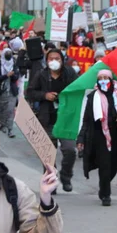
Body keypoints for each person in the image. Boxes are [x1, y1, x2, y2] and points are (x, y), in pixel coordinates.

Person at [26, 49, 78, 192]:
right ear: (46, 60)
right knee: (47, 155)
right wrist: (44, 95)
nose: (54, 61)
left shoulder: (70, 74)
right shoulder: (41, 75)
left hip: (65, 119)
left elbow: (78, 90)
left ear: (62, 60)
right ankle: (51, 180)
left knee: (70, 150)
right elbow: (30, 92)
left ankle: (66, 176)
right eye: (51, 58)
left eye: (57, 58)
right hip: (46, 118)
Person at [77, 70, 117, 206]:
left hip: (116, 134)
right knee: (104, 165)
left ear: (111, 80)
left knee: (115, 163)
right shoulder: (93, 97)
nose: (103, 80)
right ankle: (106, 194)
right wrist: (81, 138)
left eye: (106, 78)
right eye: (100, 78)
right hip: (99, 135)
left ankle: (104, 184)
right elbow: (87, 119)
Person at [0, 48, 19, 138]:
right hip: (1, 91)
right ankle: (3, 124)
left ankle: (10, 129)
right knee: (3, 109)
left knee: (10, 110)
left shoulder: (14, 64)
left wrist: (12, 75)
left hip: (12, 91)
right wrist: (6, 75)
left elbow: (16, 76)